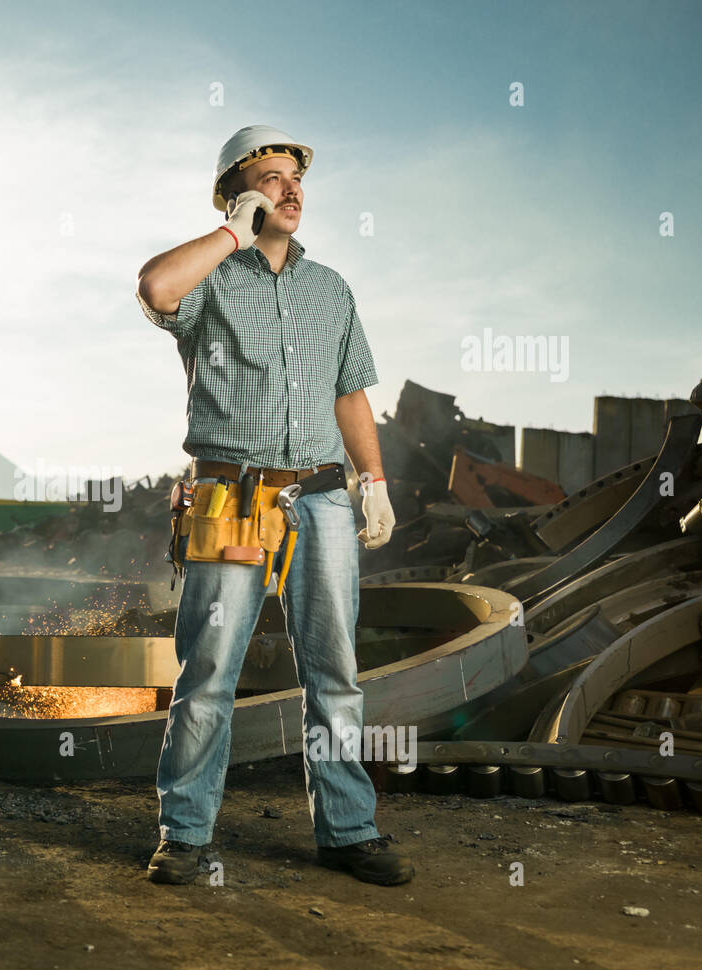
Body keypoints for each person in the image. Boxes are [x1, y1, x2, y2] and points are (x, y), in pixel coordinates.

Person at [135, 124, 412, 886]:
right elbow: (156, 288)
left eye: (296, 177)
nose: (291, 189)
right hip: (232, 500)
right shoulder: (211, 280)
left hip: (321, 500)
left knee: (334, 672)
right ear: (238, 191)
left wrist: (375, 479)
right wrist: (231, 232)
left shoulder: (332, 289)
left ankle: (349, 829)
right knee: (210, 670)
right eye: (271, 177)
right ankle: (185, 834)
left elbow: (350, 392)